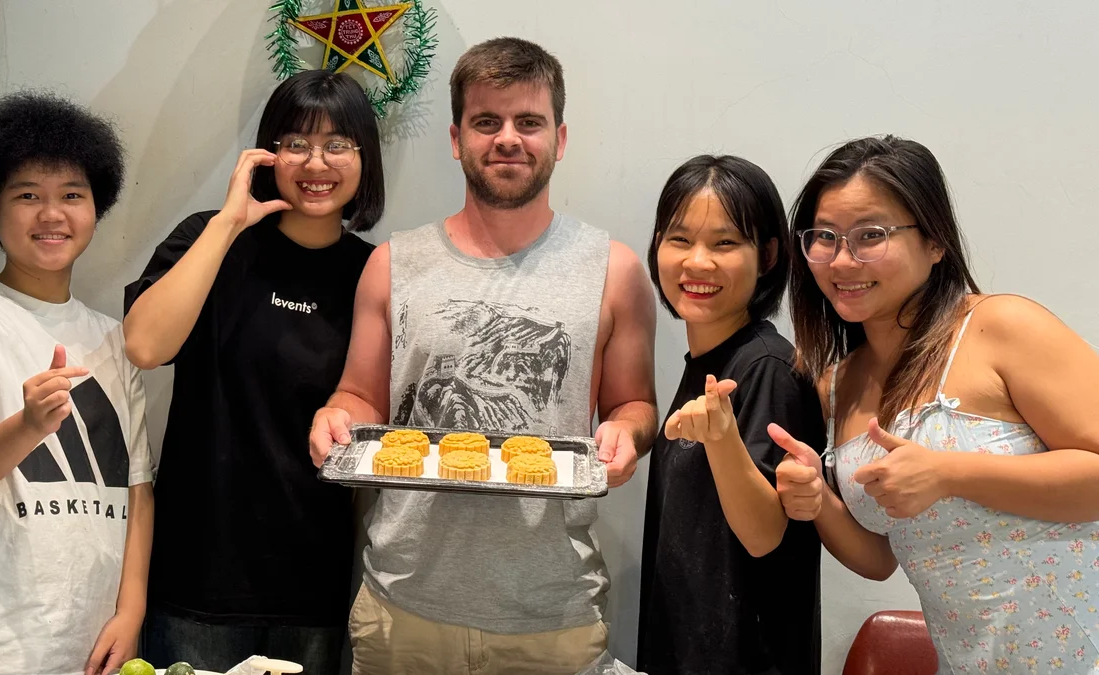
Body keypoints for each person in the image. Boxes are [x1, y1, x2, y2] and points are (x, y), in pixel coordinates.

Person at [308, 37, 658, 674]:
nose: (508, 139)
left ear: (560, 136)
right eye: (486, 122)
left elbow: (635, 405)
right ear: (455, 137)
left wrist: (626, 433)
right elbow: (359, 396)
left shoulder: (615, 270)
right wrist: (334, 416)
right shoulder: (393, 265)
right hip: (403, 606)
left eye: (529, 122)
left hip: (552, 613)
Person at [771, 135, 1099, 672]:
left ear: (935, 242)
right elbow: (881, 557)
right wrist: (819, 500)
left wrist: (949, 472)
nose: (842, 259)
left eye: (871, 235)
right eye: (823, 237)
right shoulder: (836, 387)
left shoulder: (999, 327)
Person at [122, 70, 384, 672]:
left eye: (338, 144)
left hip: (312, 580)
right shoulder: (208, 239)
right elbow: (143, 346)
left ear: (365, 158)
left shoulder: (373, 272)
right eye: (296, 143)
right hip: (197, 578)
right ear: (266, 153)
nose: (316, 162)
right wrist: (228, 222)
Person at [0, 92, 153, 675]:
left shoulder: (116, 340)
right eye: (27, 196)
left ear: (96, 208)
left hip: (94, 642)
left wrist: (132, 610)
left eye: (72, 195)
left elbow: (138, 486)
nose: (52, 214)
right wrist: (28, 426)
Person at [638, 155, 822, 675]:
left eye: (724, 243)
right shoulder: (707, 362)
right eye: (678, 240)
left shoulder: (766, 367)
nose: (697, 262)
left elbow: (765, 533)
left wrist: (722, 440)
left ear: (766, 256)